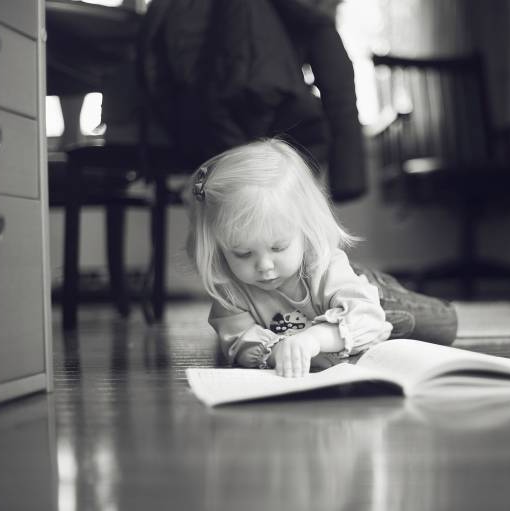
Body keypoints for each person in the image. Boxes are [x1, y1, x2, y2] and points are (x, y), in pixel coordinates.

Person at [184, 138, 457, 378]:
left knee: (444, 326)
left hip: (367, 297)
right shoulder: (229, 286)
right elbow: (238, 340)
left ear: (306, 231)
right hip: (334, 326)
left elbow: (367, 317)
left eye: (278, 248)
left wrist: (313, 339)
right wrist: (278, 352)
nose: (264, 266)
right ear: (218, 247)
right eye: (243, 253)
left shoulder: (322, 263)